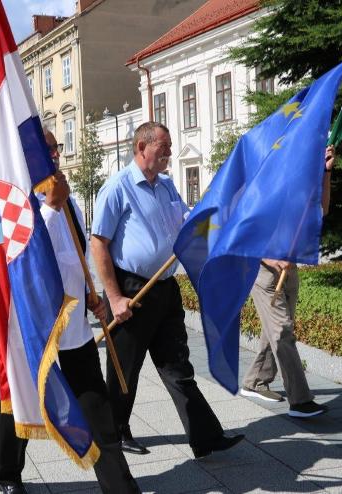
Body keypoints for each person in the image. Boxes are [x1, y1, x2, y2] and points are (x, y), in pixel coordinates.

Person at [0, 130, 139, 494]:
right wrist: (52, 208)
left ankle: (119, 486)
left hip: (72, 324)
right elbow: (25, 260)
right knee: (14, 405)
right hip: (28, 327)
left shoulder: (67, 198)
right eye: (46, 151)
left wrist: (92, 294)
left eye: (55, 149)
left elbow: (73, 256)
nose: (54, 156)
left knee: (96, 406)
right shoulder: (8, 198)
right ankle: (8, 475)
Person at [90, 122, 243, 459]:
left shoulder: (168, 186)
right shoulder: (117, 187)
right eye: (165, 146)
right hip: (132, 289)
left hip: (165, 289)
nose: (170, 153)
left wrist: (220, 211)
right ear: (143, 146)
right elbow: (99, 244)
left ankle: (205, 436)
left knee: (177, 365)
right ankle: (115, 433)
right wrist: (113, 297)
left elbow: (187, 222)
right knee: (124, 369)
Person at [240, 146, 336, 418]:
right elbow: (243, 233)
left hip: (289, 273)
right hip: (263, 273)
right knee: (282, 331)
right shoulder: (259, 188)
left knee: (274, 331)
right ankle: (300, 400)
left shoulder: (295, 188)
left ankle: (255, 381)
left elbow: (322, 209)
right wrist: (270, 258)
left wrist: (325, 173)